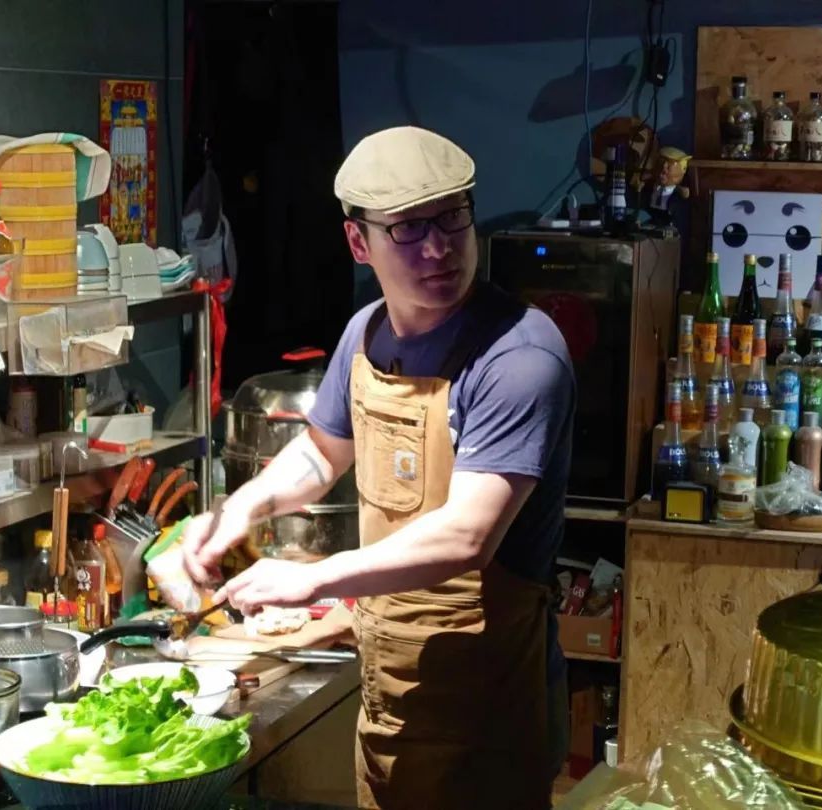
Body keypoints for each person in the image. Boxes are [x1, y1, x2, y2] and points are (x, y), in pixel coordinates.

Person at [183, 126, 575, 809]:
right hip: (390, 695)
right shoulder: (365, 334)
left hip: (486, 711)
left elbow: (466, 538)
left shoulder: (519, 357)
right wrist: (239, 509)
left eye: (453, 217)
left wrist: (310, 581)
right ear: (358, 242)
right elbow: (318, 453)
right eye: (409, 228)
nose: (438, 248)